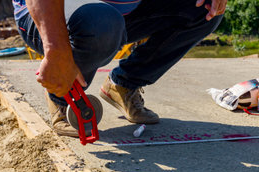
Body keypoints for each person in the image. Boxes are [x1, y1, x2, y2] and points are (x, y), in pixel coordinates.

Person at [13, 0, 226, 136]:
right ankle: (61, 94)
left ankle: (123, 85)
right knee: (101, 22)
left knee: (203, 8)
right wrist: (55, 50)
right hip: (50, 14)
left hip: (120, 13)